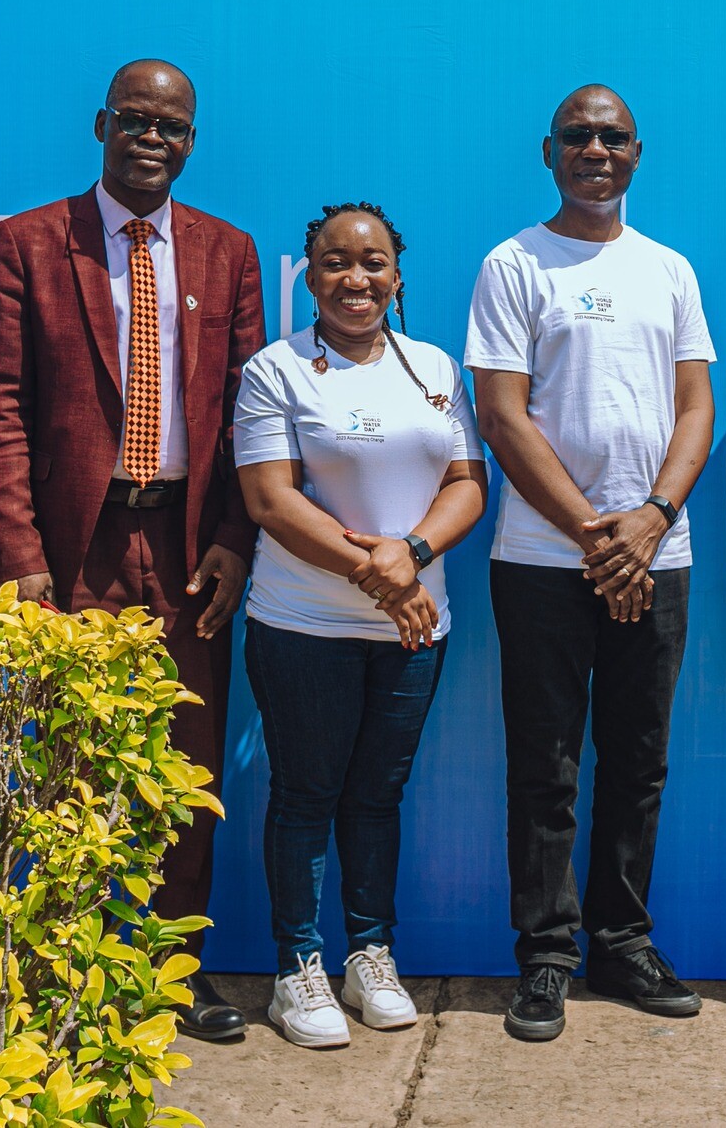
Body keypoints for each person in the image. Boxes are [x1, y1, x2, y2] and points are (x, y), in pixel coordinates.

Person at [0, 59, 263, 1042]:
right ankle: (66, 972)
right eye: (134, 119)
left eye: (171, 125)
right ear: (100, 125)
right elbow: (3, 410)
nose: (152, 137)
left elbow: (244, 419)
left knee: (184, 764)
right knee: (72, 765)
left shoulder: (229, 253)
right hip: (75, 546)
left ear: (191, 140)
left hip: (185, 543)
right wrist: (18, 558)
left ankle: (172, 974)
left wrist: (235, 537)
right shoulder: (27, 242)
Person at [467, 84, 717, 1043]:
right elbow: (502, 417)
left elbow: (696, 408)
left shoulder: (670, 270)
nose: (596, 149)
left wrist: (649, 521)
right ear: (548, 150)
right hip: (540, 558)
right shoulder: (513, 264)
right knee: (546, 764)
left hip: (660, 552)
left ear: (638, 152)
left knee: (640, 762)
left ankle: (622, 942)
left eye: (613, 137)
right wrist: (595, 535)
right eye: (579, 136)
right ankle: (546, 957)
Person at [233, 203, 488, 1048]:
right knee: (306, 794)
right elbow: (272, 500)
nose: (356, 277)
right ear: (308, 274)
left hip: (414, 626)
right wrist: (383, 577)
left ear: (397, 275)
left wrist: (408, 555)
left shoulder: (434, 366)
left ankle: (369, 952)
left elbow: (467, 483)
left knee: (378, 796)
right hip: (303, 622)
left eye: (373, 261)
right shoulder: (277, 370)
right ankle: (296, 966)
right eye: (336, 261)